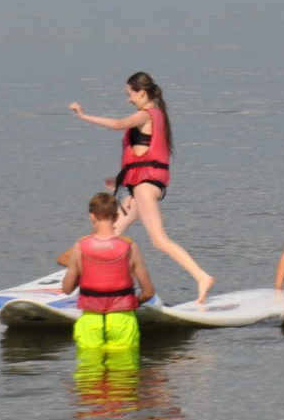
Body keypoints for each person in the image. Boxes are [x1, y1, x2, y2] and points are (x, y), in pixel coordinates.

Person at [69, 71, 218, 300]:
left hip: (145, 187)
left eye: (130, 94)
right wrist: (119, 179)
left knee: (158, 239)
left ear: (142, 92)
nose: (128, 99)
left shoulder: (146, 115)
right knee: (112, 230)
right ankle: (80, 277)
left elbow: (119, 124)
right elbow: (141, 155)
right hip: (140, 185)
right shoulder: (153, 115)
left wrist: (83, 116)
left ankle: (201, 277)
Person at [62, 192, 154, 351]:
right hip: (122, 319)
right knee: (124, 371)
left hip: (91, 320)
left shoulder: (80, 246)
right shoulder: (130, 247)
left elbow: (67, 288)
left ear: (92, 217)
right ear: (117, 217)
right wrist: (134, 302)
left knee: (89, 371)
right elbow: (148, 292)